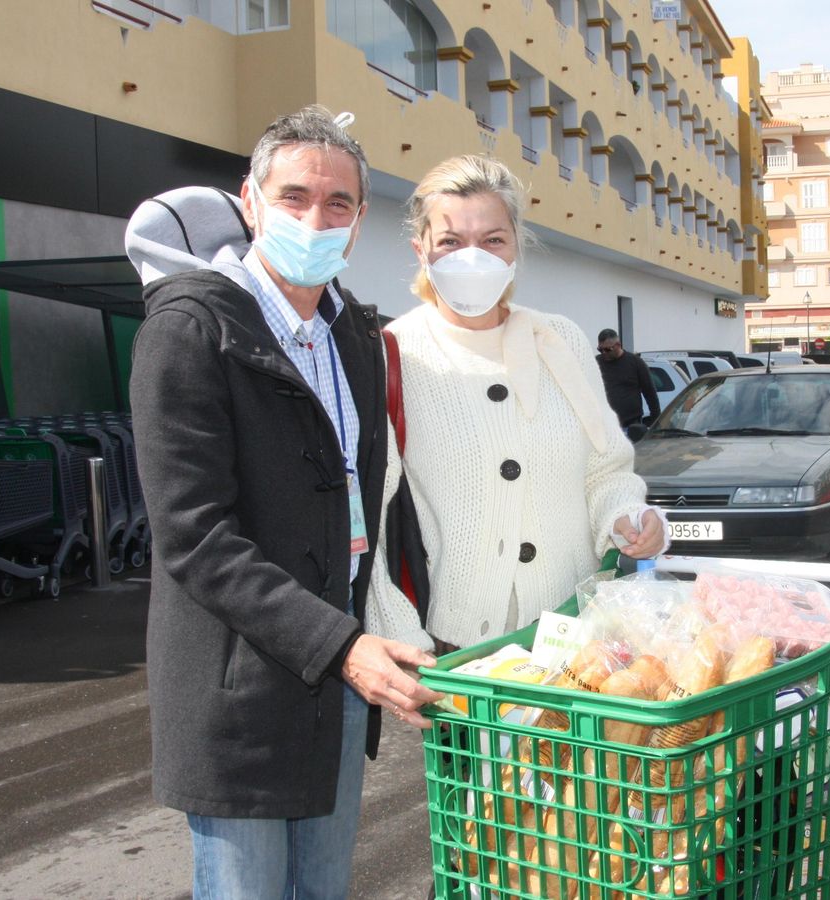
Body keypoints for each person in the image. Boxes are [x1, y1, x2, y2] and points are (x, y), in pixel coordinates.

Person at [126, 106, 441, 900]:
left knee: (321, 888)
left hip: (335, 670)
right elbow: (194, 538)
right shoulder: (192, 329)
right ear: (250, 203)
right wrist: (343, 646)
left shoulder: (356, 338)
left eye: (339, 204)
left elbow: (372, 501)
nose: (315, 217)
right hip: (241, 686)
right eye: (294, 196)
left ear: (361, 218)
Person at [371, 155, 667, 655]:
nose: (474, 256)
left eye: (492, 239)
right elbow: (370, 517)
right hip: (459, 648)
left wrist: (628, 518)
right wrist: (402, 638)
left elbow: (605, 471)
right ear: (420, 251)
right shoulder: (392, 354)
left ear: (515, 249)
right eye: (450, 241)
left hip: (577, 636)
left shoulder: (561, 342)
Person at [594, 329, 662, 430]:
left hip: (630, 425)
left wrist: (656, 422)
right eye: (600, 350)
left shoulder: (635, 363)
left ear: (618, 345)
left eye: (608, 349)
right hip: (604, 425)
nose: (604, 353)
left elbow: (650, 393)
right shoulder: (595, 363)